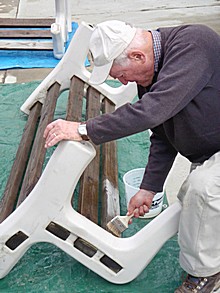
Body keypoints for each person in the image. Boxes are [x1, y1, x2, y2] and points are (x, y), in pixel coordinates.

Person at [43, 20, 220, 292]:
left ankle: (205, 276)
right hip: (210, 150)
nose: (124, 82)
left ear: (138, 56)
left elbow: (152, 111)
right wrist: (149, 188)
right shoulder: (152, 69)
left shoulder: (194, 44)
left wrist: (83, 129)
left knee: (203, 190)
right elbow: (162, 133)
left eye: (122, 75)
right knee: (193, 200)